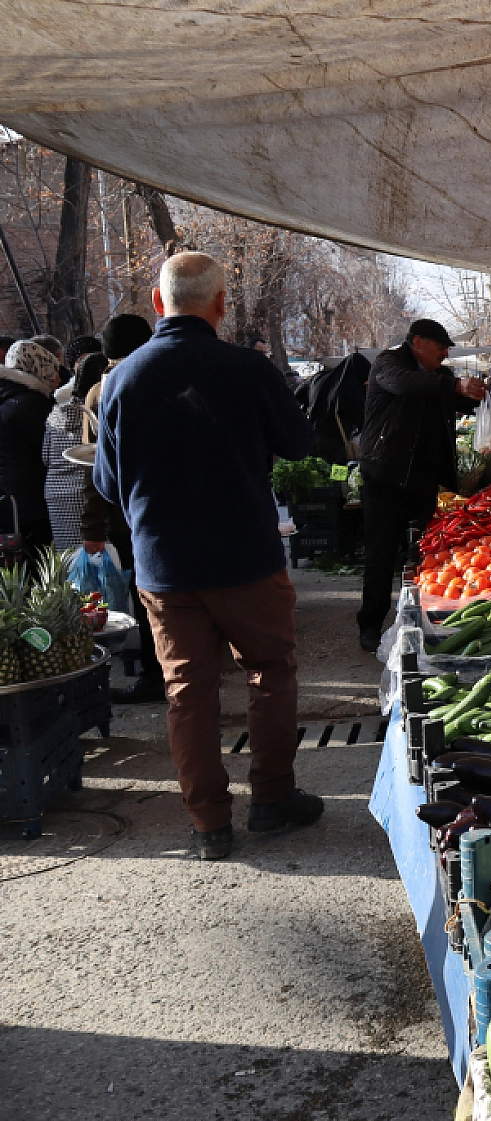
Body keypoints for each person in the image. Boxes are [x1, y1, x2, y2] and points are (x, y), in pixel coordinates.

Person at [94, 252, 321, 860]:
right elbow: (301, 443)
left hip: (165, 568)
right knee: (270, 674)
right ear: (221, 305)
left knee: (187, 694)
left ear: (157, 301)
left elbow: (108, 485)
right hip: (246, 554)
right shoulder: (248, 368)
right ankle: (272, 798)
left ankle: (208, 826)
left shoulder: (121, 379)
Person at [356, 319, 491, 651]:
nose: (446, 353)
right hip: (386, 476)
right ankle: (370, 625)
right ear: (418, 342)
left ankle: (420, 619)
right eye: (441, 346)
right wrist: (452, 387)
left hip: (423, 478)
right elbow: (405, 384)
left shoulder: (442, 379)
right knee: (381, 553)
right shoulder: (388, 364)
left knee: (423, 553)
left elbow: (481, 403)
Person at [82, 315, 163, 702]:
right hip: (167, 508)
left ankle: (155, 673)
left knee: (148, 599)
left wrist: (92, 525)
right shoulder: (167, 375)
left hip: (128, 513)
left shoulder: (105, 389)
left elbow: (97, 466)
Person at [0, 339, 62, 558]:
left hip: (10, 504)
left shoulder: (7, 398)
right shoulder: (31, 404)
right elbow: (51, 451)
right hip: (33, 506)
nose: (57, 380)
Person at [42, 346, 107, 548]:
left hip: (56, 494)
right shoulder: (96, 410)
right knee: (99, 559)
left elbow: (45, 455)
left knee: (68, 558)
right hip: (88, 492)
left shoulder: (57, 411)